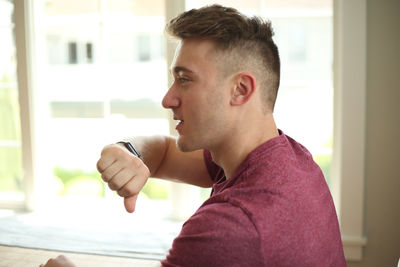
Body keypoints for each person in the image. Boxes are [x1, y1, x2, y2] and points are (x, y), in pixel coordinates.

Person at [42, 4, 346, 267]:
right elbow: (163, 151)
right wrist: (129, 151)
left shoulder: (231, 227)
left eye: (184, 79)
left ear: (240, 90)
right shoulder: (291, 157)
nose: (168, 98)